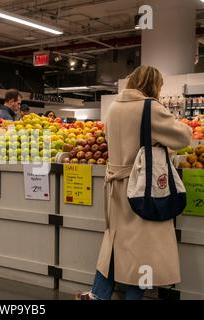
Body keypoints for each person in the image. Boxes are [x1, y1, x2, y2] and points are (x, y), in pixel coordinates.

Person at [76, 65, 191, 300]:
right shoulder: (151, 108)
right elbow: (182, 138)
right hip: (142, 186)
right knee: (143, 252)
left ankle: (98, 295)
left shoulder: (114, 108)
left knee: (114, 244)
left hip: (115, 186)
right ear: (154, 85)